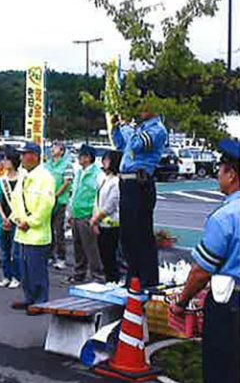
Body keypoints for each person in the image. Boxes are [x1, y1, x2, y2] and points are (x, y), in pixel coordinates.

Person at [168, 139, 239, 383]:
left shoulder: (226, 216)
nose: (218, 175)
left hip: (230, 307)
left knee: (223, 380)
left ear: (231, 174)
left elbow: (200, 273)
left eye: (220, 170)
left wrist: (181, 303)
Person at [112, 102, 167, 288]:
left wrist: (126, 126)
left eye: (144, 106)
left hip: (140, 183)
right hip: (127, 183)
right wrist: (117, 127)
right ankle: (133, 277)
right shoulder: (139, 129)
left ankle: (147, 279)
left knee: (141, 234)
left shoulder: (157, 129)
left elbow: (136, 144)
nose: (141, 110)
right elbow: (121, 145)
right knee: (127, 235)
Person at [10, 142, 56, 311]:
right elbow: (15, 199)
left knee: (37, 269)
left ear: (35, 156)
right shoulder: (23, 175)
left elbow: (46, 205)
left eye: (25, 154)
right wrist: (15, 219)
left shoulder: (46, 178)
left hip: (37, 234)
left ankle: (40, 301)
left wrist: (29, 222)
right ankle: (29, 298)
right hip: (22, 232)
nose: (22, 157)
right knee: (24, 269)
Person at [65, 144, 104, 285]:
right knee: (78, 247)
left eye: (81, 155)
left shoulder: (98, 174)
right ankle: (79, 274)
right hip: (77, 213)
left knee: (91, 248)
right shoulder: (79, 172)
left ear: (88, 157)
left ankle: (97, 276)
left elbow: (98, 197)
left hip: (87, 214)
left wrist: (95, 218)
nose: (78, 158)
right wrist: (70, 213)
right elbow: (74, 193)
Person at [92, 150, 122, 283]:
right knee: (104, 255)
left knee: (110, 256)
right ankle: (110, 280)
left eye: (107, 159)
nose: (104, 162)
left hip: (111, 224)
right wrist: (95, 220)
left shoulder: (116, 181)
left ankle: (113, 281)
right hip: (101, 223)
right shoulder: (104, 178)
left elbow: (111, 205)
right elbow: (98, 201)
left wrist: (96, 219)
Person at [0, 150, 22, 289]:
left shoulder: (22, 179)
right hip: (3, 218)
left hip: (17, 218)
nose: (4, 162)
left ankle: (17, 277)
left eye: (7, 159)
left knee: (16, 251)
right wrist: (4, 217)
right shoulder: (1, 180)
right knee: (4, 250)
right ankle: (6, 276)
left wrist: (11, 218)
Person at [44, 141, 73, 270]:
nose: (52, 149)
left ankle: (61, 257)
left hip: (60, 201)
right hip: (47, 201)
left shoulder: (67, 165)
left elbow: (67, 182)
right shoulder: (47, 164)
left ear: (62, 151)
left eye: (55, 147)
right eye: (52, 147)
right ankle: (49, 255)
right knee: (48, 229)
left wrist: (56, 195)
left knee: (59, 230)